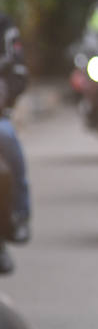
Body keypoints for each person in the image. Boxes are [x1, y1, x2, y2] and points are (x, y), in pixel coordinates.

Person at [0, 14, 29, 273]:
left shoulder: (4, 26)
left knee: (7, 136)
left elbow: (19, 72)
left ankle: (19, 214)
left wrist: (6, 97)